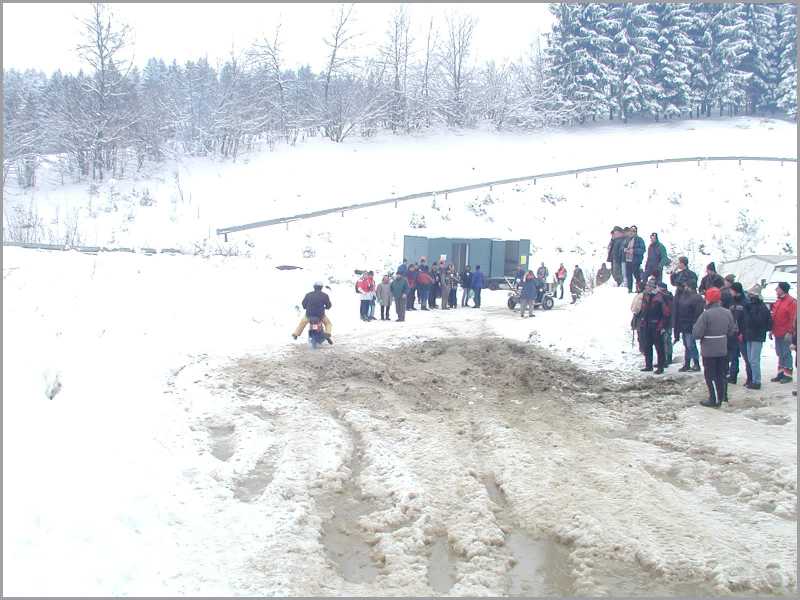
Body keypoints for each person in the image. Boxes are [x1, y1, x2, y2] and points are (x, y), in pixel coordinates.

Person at [692, 287, 737, 407]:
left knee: (710, 375)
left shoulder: (706, 315)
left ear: (709, 300)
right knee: (721, 374)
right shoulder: (727, 312)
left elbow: (697, 333)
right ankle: (723, 397)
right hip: (723, 348)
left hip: (709, 350)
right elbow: (732, 330)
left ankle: (713, 399)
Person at [742, 284, 772, 390]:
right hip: (750, 335)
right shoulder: (751, 306)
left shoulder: (761, 307)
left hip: (757, 336)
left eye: (751, 294)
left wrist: (749, 313)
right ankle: (753, 379)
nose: (749, 297)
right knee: (750, 359)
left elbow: (759, 322)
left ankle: (756, 381)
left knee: (754, 360)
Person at [638, 280, 670, 374]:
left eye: (648, 286)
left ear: (653, 287)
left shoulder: (659, 297)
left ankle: (661, 366)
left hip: (657, 325)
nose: (646, 288)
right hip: (647, 324)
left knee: (659, 347)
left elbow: (666, 313)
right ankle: (648, 365)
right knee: (647, 346)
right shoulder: (646, 296)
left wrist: (662, 325)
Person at [673, 281, 704, 372]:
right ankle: (687, 363)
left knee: (691, 345)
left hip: (690, 324)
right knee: (687, 345)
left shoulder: (696, 298)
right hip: (684, 324)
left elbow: (698, 313)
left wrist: (695, 323)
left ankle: (696, 363)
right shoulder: (683, 296)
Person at [769, 282, 797, 383]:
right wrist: (771, 331)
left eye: (778, 288)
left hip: (786, 333)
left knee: (786, 353)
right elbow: (774, 317)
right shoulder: (778, 301)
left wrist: (790, 331)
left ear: (783, 289)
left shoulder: (791, 302)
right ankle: (780, 373)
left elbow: (793, 318)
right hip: (777, 332)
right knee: (779, 353)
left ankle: (788, 374)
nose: (776, 290)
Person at [727, 282, 750, 385]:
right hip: (732, 333)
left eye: (731, 290)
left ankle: (750, 377)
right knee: (733, 356)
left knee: (747, 357)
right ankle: (733, 376)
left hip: (742, 334)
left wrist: (743, 332)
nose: (730, 292)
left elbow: (747, 320)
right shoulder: (731, 302)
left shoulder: (745, 302)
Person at [623, 225, 646, 293]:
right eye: (631, 231)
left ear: (636, 232)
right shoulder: (627, 240)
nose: (632, 232)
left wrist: (633, 251)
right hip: (628, 260)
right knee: (628, 276)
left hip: (636, 261)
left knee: (637, 276)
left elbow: (642, 250)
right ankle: (629, 289)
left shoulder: (640, 240)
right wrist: (624, 249)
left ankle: (639, 289)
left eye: (633, 231)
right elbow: (622, 247)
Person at [657, 282, 674, 366]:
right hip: (669, 322)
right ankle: (668, 358)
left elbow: (666, 312)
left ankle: (665, 360)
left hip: (665, 322)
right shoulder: (670, 297)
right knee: (668, 341)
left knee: (665, 341)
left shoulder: (664, 297)